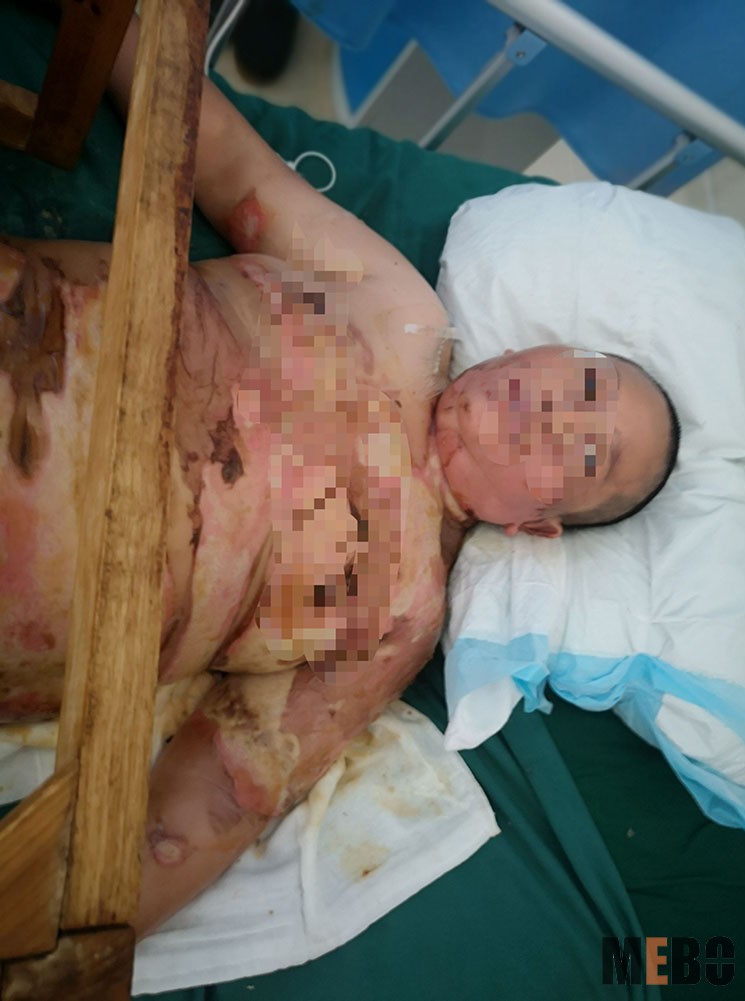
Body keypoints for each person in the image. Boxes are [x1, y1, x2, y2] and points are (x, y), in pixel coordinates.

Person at [0, 18, 678, 939]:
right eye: (588, 384)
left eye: (589, 454)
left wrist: (54, 949)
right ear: (547, 350)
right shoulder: (398, 305)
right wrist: (128, 26)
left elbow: (221, 794)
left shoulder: (402, 610)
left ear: (537, 525)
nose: (566, 414)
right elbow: (234, 170)